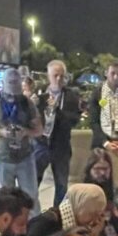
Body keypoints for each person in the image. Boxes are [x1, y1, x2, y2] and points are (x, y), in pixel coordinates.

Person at [15, 182, 109, 236]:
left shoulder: (77, 224)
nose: (96, 220)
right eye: (93, 213)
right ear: (81, 207)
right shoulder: (47, 221)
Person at [34, 59, 83, 207]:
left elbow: (74, 119)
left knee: (61, 184)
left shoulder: (71, 96)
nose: (59, 79)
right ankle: (31, 214)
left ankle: (58, 215)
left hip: (60, 146)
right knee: (33, 182)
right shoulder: (40, 94)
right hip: (41, 144)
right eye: (55, 75)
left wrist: (58, 111)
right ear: (48, 76)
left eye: (62, 76)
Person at [0, 68, 43, 206]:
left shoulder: (27, 103)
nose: (13, 97)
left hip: (25, 157)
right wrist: (2, 132)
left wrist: (26, 132)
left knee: (31, 197)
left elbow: (39, 129)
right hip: (2, 157)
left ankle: (33, 225)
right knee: (5, 200)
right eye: (10, 93)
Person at [82, 149, 118, 236]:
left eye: (105, 169)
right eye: (97, 169)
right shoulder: (80, 193)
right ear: (89, 170)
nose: (102, 173)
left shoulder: (115, 192)